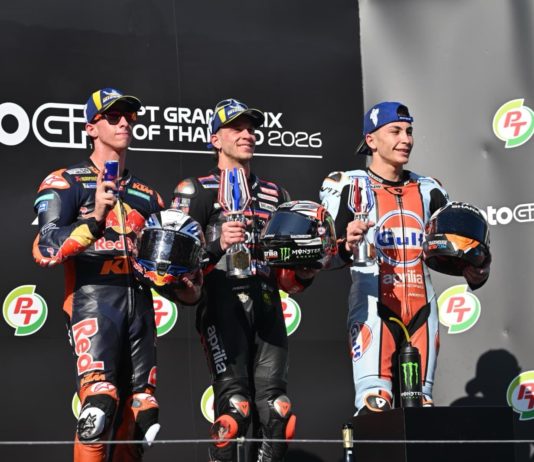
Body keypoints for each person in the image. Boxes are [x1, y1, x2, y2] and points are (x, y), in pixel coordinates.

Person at [32, 88, 201, 462]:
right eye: (113, 117)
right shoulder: (66, 182)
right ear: (91, 128)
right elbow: (45, 248)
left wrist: (184, 287)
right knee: (98, 406)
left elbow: (160, 273)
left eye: (129, 116)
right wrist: (95, 218)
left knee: (140, 416)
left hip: (140, 312)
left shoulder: (148, 196)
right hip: (92, 303)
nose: (124, 122)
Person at [319, 101, 491, 415]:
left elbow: (454, 252)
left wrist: (476, 269)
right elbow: (323, 258)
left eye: (409, 131)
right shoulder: (347, 185)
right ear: (371, 140)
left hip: (423, 309)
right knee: (376, 404)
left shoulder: (430, 189)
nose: (406, 139)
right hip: (373, 308)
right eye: (395, 131)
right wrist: (345, 246)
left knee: (421, 407)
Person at [171, 98, 316, 462]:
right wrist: (216, 245)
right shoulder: (195, 189)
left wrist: (303, 270)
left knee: (277, 411)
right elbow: (175, 263)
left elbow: (286, 277)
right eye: (236, 128)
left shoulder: (276, 195)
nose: (247, 134)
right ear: (215, 139)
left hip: (266, 300)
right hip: (221, 301)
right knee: (235, 408)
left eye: (251, 128)